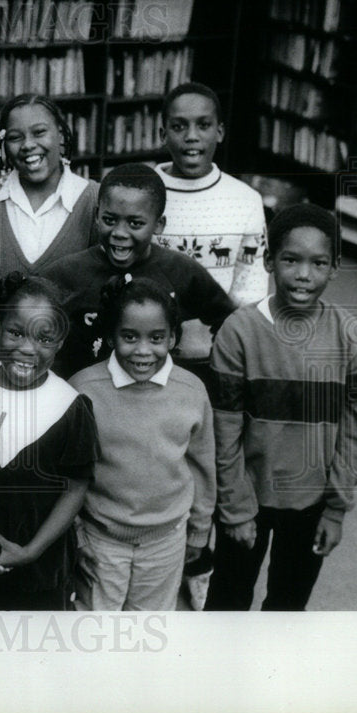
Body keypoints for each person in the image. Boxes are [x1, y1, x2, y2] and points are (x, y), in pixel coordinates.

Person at [205, 204, 357, 611]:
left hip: (311, 503)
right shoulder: (239, 332)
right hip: (248, 497)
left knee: (288, 607)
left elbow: (354, 432)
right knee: (227, 602)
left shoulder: (350, 337)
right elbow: (223, 433)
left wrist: (335, 510)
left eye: (318, 263)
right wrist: (236, 509)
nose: (303, 275)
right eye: (291, 260)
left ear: (334, 268)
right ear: (268, 261)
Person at [153, 82, 269, 611]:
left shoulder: (244, 202)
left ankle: (197, 575)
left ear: (220, 131)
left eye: (203, 125)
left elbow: (248, 300)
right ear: (164, 131)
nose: (191, 136)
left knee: (207, 467)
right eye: (179, 125)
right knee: (153, 465)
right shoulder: (146, 189)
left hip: (211, 362)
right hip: (149, 357)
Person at [0, 274, 97, 610]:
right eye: (16, 332)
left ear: (60, 342)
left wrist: (32, 551)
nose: (27, 348)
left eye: (44, 338)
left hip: (40, 571)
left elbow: (76, 485)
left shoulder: (70, 407)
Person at [68, 277, 215, 611]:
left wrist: (199, 531)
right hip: (100, 539)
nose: (143, 350)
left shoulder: (191, 391)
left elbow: (202, 465)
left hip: (166, 540)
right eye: (129, 337)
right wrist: (74, 533)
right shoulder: (84, 390)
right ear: (110, 336)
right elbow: (67, 472)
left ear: (173, 338)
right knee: (94, 629)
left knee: (149, 631)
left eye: (157, 338)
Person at [42, 162, 235, 379]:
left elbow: (230, 322)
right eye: (109, 220)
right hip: (85, 397)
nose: (120, 233)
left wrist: (211, 374)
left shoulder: (180, 270)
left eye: (135, 223)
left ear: (159, 225)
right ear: (97, 216)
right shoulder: (68, 272)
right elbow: (29, 319)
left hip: (157, 401)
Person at [0, 93, 100, 285]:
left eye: (39, 132)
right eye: (15, 137)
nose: (28, 145)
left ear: (60, 134)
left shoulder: (94, 199)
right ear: (4, 145)